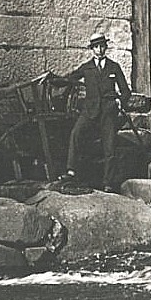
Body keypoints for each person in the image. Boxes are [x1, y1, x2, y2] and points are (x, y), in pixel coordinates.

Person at [58, 32, 131, 193]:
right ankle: (71, 171)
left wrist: (119, 102)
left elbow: (126, 91)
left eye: (102, 46)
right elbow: (69, 78)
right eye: (96, 47)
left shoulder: (114, 67)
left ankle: (108, 182)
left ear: (106, 47)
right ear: (92, 49)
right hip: (90, 110)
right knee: (76, 134)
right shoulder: (87, 67)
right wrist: (53, 79)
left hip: (108, 112)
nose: (99, 50)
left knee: (109, 146)